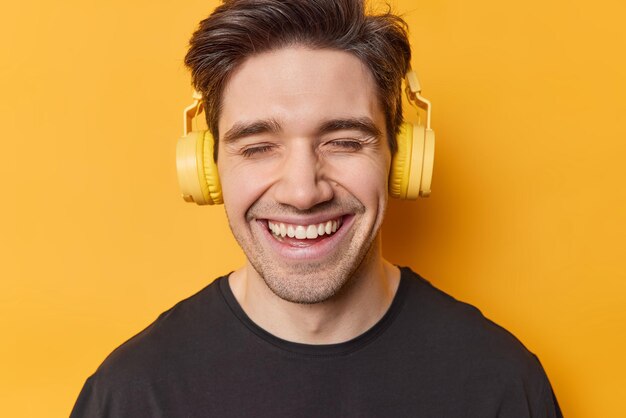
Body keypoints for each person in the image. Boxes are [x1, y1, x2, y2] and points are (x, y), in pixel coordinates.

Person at [71, 0, 562, 416]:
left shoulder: (502, 386)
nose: (303, 192)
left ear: (403, 158)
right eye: (258, 146)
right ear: (207, 166)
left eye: (344, 141)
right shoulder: (132, 396)